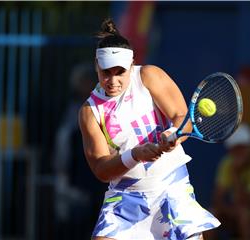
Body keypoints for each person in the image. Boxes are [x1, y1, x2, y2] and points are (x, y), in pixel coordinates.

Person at [78, 18, 220, 240]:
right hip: (126, 199)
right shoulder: (90, 111)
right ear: (96, 66)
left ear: (132, 64)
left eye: (120, 72)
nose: (113, 80)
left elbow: (182, 117)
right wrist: (134, 154)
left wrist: (173, 134)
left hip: (171, 188)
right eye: (106, 72)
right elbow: (101, 169)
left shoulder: (149, 76)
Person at [53, 62, 107, 239]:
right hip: (78, 176)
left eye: (88, 81)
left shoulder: (103, 106)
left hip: (99, 175)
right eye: (82, 81)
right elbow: (63, 142)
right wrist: (63, 174)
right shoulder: (73, 109)